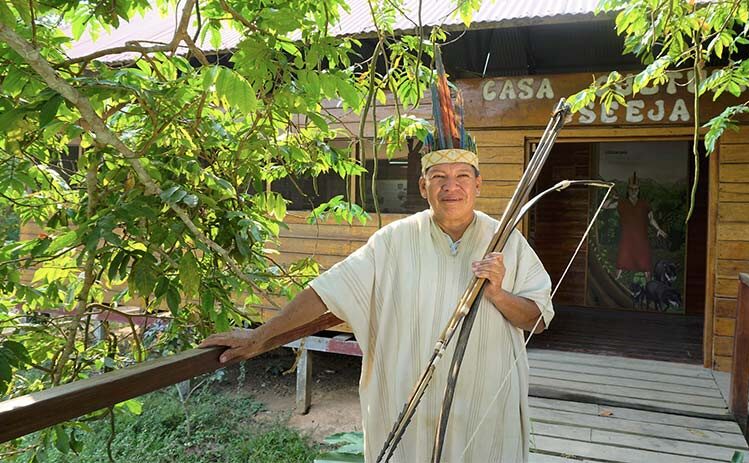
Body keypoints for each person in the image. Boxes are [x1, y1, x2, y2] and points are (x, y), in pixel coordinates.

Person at [200, 48, 553, 462]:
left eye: (461, 177)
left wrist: (497, 293)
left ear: (477, 184)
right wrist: (262, 335)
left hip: (484, 413)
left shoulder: (506, 238)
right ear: (424, 188)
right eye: (438, 177)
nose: (449, 187)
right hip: (409, 412)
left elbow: (538, 318)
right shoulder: (394, 241)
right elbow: (328, 292)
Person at [603, 172, 667, 281]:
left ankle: (649, 287)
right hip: (627, 238)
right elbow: (605, 206)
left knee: (646, 263)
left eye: (636, 189)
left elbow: (651, 219)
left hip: (641, 238)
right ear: (628, 190)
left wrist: (658, 229)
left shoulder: (644, 204)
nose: (633, 191)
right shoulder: (622, 203)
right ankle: (615, 282)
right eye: (631, 189)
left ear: (638, 190)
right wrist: (612, 198)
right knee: (621, 261)